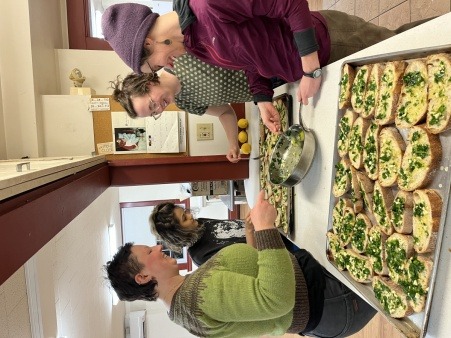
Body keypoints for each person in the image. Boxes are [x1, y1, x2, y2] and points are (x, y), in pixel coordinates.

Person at [101, 2, 431, 134]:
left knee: (404, 47)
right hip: (313, 71)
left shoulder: (206, 6)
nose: (162, 67)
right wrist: (261, 96)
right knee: (406, 69)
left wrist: (310, 69)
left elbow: (289, 4)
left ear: (147, 42)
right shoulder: (196, 46)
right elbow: (250, 61)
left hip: (331, 41)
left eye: (151, 65)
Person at [105, 190, 376, 337]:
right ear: (142, 277)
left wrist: (252, 236)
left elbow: (252, 282)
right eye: (148, 252)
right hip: (329, 299)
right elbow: (275, 300)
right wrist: (266, 229)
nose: (157, 247)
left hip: (324, 301)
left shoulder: (185, 302)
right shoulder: (197, 297)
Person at [110, 52, 254, 163]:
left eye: (152, 105)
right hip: (265, 93)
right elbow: (225, 112)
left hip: (265, 56)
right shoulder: (183, 103)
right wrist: (233, 144)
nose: (159, 109)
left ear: (148, 84)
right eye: (154, 113)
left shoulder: (179, 57)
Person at [149, 202, 254, 266]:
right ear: (179, 233)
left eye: (185, 212)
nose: (190, 215)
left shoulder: (199, 223)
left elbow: (236, 227)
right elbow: (251, 263)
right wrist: (249, 231)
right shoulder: (200, 257)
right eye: (184, 218)